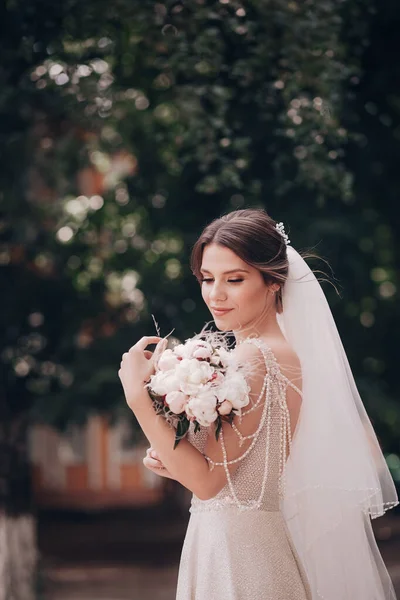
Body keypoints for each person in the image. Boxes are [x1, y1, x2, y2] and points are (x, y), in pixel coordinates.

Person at [119, 208, 398, 599]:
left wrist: (137, 397)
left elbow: (209, 482)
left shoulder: (258, 358)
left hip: (239, 553)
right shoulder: (273, 353)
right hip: (244, 542)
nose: (215, 294)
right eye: (207, 278)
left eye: (234, 279)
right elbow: (236, 470)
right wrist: (175, 452)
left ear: (273, 282)